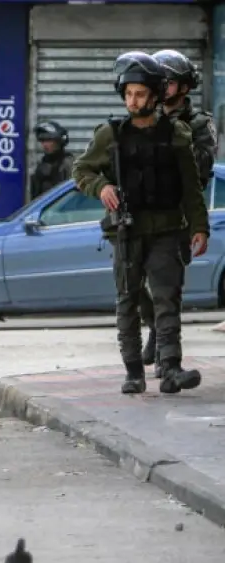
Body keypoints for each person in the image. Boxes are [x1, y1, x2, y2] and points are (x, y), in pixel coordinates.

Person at [72, 51, 209, 395]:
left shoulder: (177, 133)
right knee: (128, 301)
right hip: (127, 231)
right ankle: (134, 371)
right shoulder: (110, 134)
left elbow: (190, 185)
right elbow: (81, 170)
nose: (134, 101)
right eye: (129, 94)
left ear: (155, 94)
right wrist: (101, 187)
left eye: (141, 94)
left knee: (167, 300)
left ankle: (172, 369)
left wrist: (199, 226)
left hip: (166, 229)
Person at [138, 49, 219, 372]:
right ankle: (155, 328)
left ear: (184, 87)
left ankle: (167, 356)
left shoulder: (198, 123)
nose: (163, 87)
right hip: (144, 211)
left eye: (169, 82)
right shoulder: (144, 118)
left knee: (166, 284)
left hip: (178, 212)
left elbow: (201, 165)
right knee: (136, 282)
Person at [29, 121, 75, 199]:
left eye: (49, 140)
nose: (45, 144)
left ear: (59, 141)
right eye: (42, 140)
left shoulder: (68, 164)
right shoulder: (43, 165)